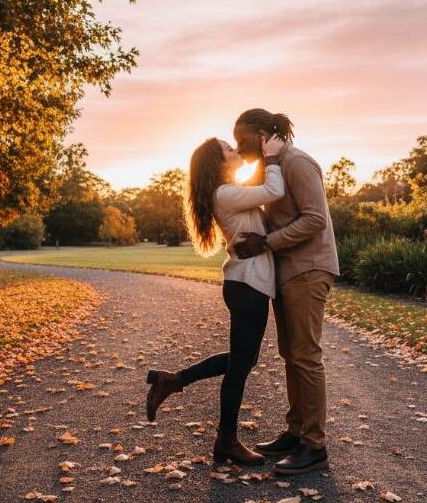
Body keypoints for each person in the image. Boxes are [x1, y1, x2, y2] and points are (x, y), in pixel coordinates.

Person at [145, 133, 285, 465]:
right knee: (240, 364)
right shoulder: (225, 193)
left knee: (243, 360)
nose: (235, 150)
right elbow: (274, 190)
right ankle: (226, 441)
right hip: (247, 286)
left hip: (246, 285)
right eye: (228, 149)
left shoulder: (228, 191)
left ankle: (173, 381)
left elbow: (256, 185)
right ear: (218, 163)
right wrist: (274, 157)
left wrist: (261, 158)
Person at [232, 108, 339, 475]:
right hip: (288, 271)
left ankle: (315, 446)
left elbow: (315, 218)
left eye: (241, 138)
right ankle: (296, 433)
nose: (237, 145)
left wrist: (266, 243)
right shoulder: (273, 165)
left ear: (262, 134)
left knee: (306, 355)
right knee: (291, 354)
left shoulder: (298, 162)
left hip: (309, 268)